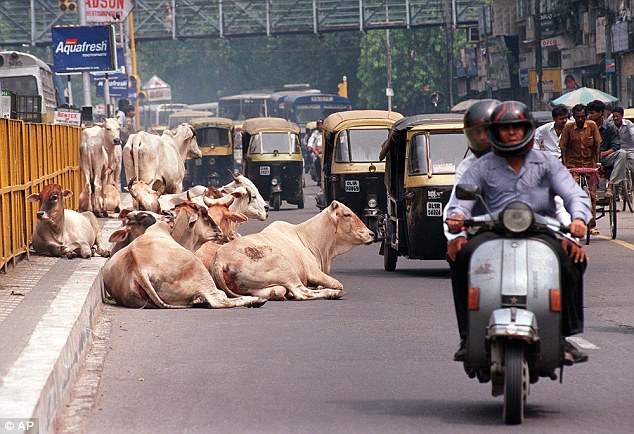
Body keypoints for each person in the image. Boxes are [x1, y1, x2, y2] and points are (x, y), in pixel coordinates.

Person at [445, 100, 591, 365]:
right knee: (462, 257)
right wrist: (457, 220)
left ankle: (564, 336)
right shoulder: (480, 166)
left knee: (572, 260)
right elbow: (460, 202)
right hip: (492, 231)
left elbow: (573, 194)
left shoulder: (547, 163)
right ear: (496, 132)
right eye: (505, 128)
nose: (511, 132)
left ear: (528, 130)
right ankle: (468, 337)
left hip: (539, 231)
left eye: (517, 127)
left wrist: (579, 220)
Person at [560, 103, 602, 235]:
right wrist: (565, 166)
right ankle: (574, 221)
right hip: (573, 165)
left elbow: (597, 145)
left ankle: (592, 224)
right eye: (578, 117)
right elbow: (563, 147)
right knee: (573, 194)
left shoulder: (592, 126)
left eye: (582, 116)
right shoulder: (568, 128)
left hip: (590, 164)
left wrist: (598, 162)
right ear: (574, 117)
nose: (580, 119)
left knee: (593, 196)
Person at [586, 100, 627, 201]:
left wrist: (603, 154)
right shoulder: (585, 127)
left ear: (600, 113)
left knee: (622, 153)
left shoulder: (610, 127)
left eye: (592, 113)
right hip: (589, 159)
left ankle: (610, 186)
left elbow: (616, 145)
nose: (589, 116)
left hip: (605, 157)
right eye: (589, 113)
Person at [610, 106, 634, 175]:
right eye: (614, 116)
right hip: (616, 151)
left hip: (630, 150)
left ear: (622, 116)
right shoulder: (611, 125)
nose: (615, 118)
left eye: (617, 116)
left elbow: (633, 135)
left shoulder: (628, 124)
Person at [307, 119, 324, 186]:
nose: (320, 126)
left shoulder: (326, 133)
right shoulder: (315, 134)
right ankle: (318, 177)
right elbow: (310, 142)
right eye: (318, 125)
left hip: (325, 151)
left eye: (321, 125)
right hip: (317, 152)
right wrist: (310, 147)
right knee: (317, 162)